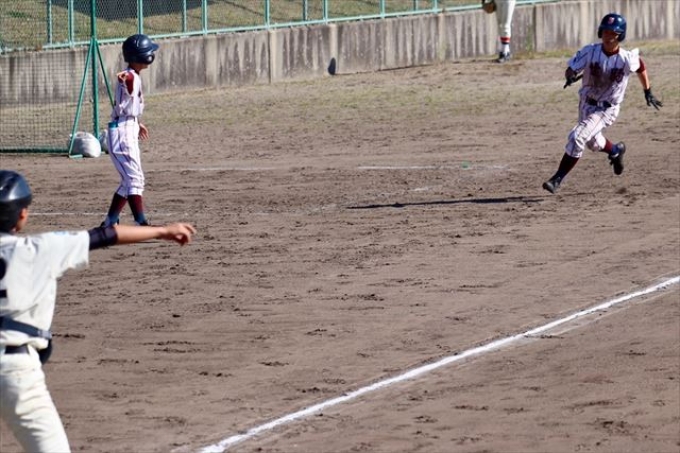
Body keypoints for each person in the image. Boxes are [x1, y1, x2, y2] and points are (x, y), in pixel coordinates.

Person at [0, 170, 196, 453]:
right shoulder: (40, 249)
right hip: (16, 374)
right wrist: (162, 231)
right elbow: (106, 234)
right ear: (22, 215)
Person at [542, 13, 663, 194]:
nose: (608, 36)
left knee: (577, 137)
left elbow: (641, 67)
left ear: (620, 36)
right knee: (592, 143)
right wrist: (571, 75)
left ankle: (557, 179)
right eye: (606, 32)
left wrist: (648, 91)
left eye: (613, 33)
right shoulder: (590, 51)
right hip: (586, 104)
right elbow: (571, 68)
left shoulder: (626, 58)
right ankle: (615, 151)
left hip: (607, 109)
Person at [101, 34, 159, 227]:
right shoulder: (130, 76)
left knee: (130, 181)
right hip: (122, 132)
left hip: (128, 126)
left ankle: (110, 222)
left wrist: (137, 122)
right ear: (141, 55)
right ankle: (140, 222)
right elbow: (128, 83)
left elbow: (128, 102)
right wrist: (125, 81)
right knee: (134, 179)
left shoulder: (134, 74)